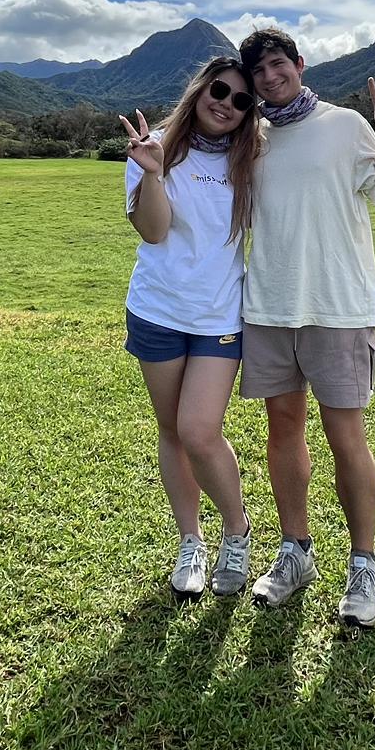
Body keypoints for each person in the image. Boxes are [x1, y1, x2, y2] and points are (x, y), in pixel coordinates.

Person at [236, 27, 375, 626]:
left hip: (338, 306)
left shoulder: (346, 125)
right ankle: (295, 552)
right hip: (270, 307)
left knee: (345, 436)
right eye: (257, 72)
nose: (269, 78)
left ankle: (364, 568)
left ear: (299, 64)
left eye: (278, 64)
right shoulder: (249, 138)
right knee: (283, 430)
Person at [119, 56, 263, 599]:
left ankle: (237, 532)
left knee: (200, 431)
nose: (226, 104)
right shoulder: (153, 146)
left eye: (242, 100)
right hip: (157, 311)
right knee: (173, 431)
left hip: (219, 316)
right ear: (201, 88)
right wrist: (153, 172)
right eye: (221, 90)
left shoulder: (252, 157)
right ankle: (190, 542)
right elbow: (153, 232)